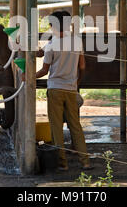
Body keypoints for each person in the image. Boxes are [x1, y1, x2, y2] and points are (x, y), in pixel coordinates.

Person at [35, 11, 92, 171]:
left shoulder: (53, 45)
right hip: (71, 89)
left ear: (53, 26)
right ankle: (85, 161)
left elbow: (44, 71)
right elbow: (82, 66)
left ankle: (62, 163)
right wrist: (76, 83)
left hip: (55, 89)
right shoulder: (76, 42)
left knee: (56, 127)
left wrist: (29, 77)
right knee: (75, 126)